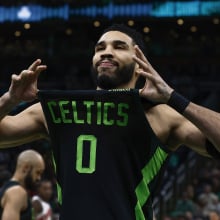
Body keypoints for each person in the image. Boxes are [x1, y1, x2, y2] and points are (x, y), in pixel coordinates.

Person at [0, 23, 220, 219]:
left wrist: (173, 97)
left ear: (139, 65)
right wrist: (10, 100)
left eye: (119, 47)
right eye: (100, 48)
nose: (106, 53)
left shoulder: (160, 115)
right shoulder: (58, 109)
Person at [0, 149, 45, 220]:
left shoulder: (9, 188)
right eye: (38, 172)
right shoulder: (17, 192)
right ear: (26, 168)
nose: (39, 178)